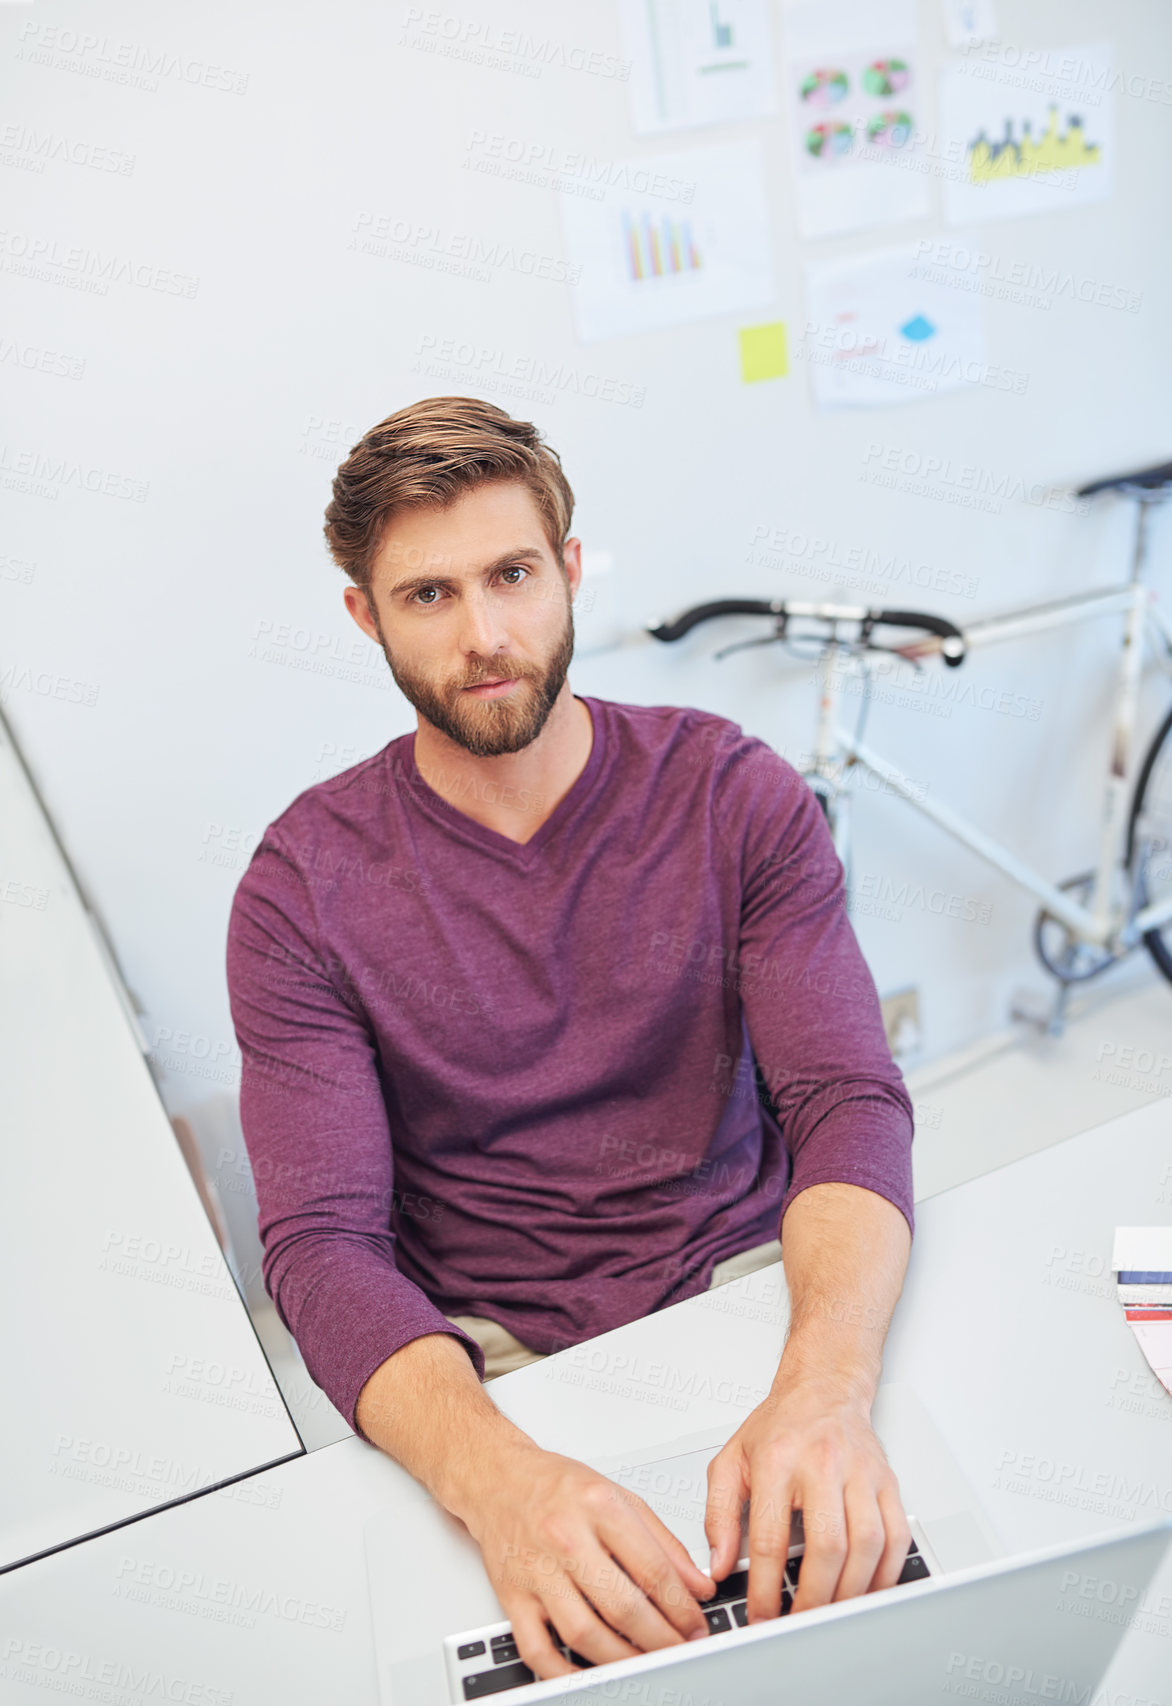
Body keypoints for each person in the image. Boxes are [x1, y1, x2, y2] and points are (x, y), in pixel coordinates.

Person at [226, 395, 916, 1683]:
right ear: (364, 618)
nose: (487, 637)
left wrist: (825, 1386)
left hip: (750, 1289)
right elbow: (321, 1248)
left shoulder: (733, 794)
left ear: (570, 568)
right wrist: (497, 1483)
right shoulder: (300, 891)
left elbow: (846, 1103)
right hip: (486, 1360)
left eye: (512, 575)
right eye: (428, 596)